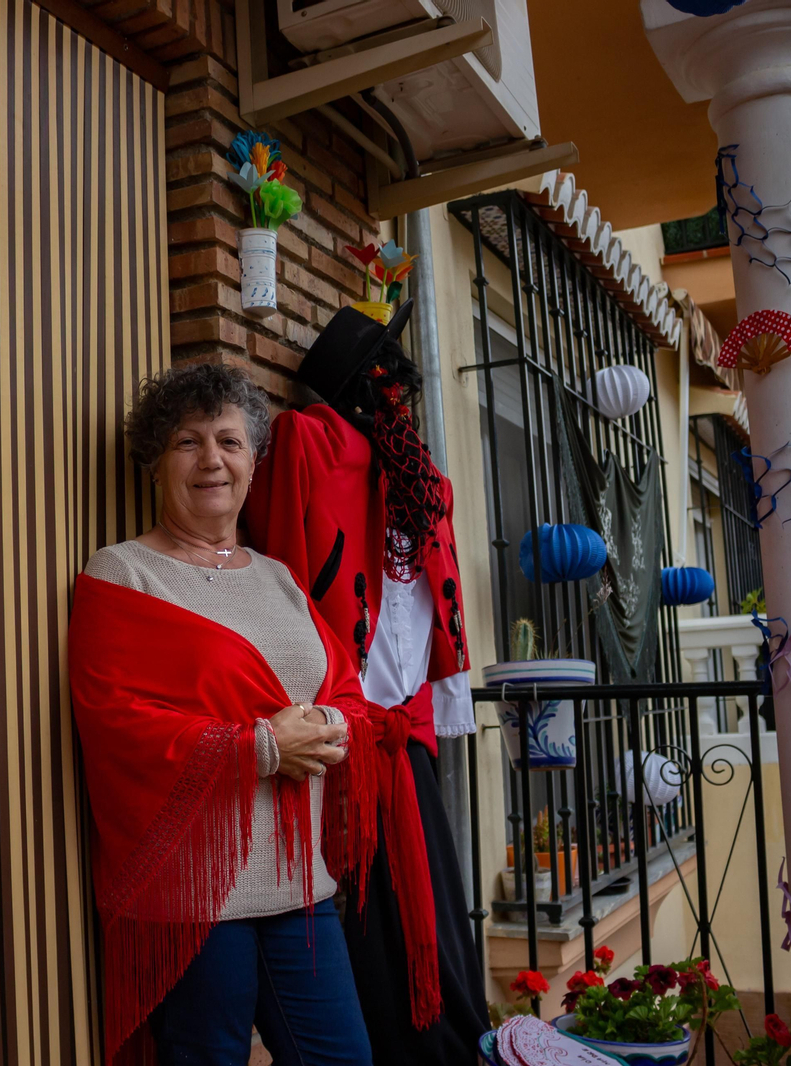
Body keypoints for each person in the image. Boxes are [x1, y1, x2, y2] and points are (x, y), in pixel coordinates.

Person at [69, 363, 383, 1066]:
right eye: (188, 442)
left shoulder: (276, 576)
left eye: (230, 442)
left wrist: (329, 730)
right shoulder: (122, 573)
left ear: (252, 461)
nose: (212, 459)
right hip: (193, 897)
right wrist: (264, 747)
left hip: (299, 887)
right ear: (155, 461)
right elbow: (115, 721)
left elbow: (343, 690)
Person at [245, 300, 492, 1064]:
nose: (402, 387)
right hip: (338, 723)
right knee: (366, 918)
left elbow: (438, 599)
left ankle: (439, 1046)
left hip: (399, 730)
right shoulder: (308, 442)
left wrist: (437, 697)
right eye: (385, 370)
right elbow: (285, 559)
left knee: (426, 917)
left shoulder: (423, 482)